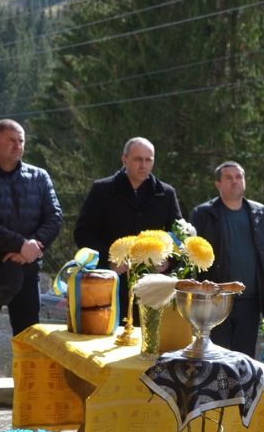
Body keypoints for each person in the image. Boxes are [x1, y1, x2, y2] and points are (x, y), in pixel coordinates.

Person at [0, 119, 63, 432]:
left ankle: (29, 404)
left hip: (26, 271)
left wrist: (29, 250)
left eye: (20, 141)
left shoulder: (39, 176)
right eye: (10, 141)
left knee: (29, 342)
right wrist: (19, 243)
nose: (17, 147)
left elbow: (54, 216)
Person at [74, 137, 183, 319]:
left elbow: (179, 234)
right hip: (109, 281)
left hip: (151, 285)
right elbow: (83, 233)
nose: (143, 165)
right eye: (138, 159)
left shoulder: (166, 193)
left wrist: (169, 261)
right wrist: (108, 260)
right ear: (124, 160)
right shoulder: (102, 190)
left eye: (148, 160)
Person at [190, 161, 264, 355]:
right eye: (228, 178)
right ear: (218, 184)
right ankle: (219, 387)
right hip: (215, 300)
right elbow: (192, 257)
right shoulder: (203, 214)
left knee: (245, 358)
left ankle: (240, 387)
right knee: (216, 357)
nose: (235, 181)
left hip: (250, 301)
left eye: (239, 177)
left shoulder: (261, 213)